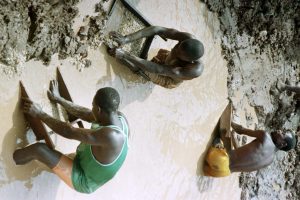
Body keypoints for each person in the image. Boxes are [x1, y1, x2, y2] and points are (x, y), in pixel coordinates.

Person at [13, 80, 130, 194]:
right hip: (85, 161)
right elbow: (86, 114)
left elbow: (69, 131)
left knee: (38, 149)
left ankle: (12, 159)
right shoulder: (117, 117)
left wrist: (40, 114)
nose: (91, 108)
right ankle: (55, 166)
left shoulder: (111, 136)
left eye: (93, 105)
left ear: (99, 110)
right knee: (52, 160)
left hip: (83, 179)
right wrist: (59, 99)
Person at [108, 26, 204, 89]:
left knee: (141, 69)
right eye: (178, 46)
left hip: (168, 77)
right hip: (167, 61)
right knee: (159, 56)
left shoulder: (193, 70)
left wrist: (125, 55)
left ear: (189, 60)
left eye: (179, 53)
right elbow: (158, 30)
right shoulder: (188, 38)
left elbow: (158, 70)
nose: (176, 49)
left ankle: (139, 72)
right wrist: (127, 38)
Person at [204, 121, 297, 177]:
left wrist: (230, 121)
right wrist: (233, 138)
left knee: (217, 139)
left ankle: (217, 147)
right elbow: (242, 156)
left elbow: (240, 130)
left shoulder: (265, 136)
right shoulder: (270, 160)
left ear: (283, 144)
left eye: (283, 133)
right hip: (223, 173)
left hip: (219, 160)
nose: (280, 130)